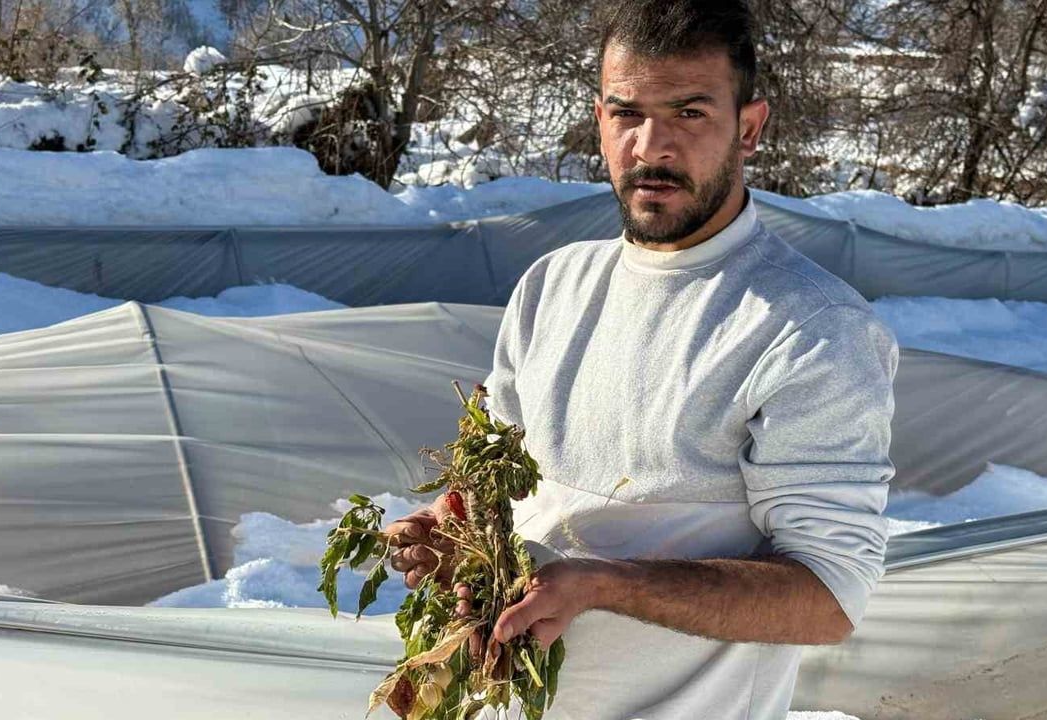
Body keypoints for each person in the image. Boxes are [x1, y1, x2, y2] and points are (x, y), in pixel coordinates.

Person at [383, 1, 898, 717]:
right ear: (600, 119)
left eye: (689, 113)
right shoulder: (553, 286)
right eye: (627, 113)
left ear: (748, 128)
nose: (651, 147)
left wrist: (604, 586)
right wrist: (453, 530)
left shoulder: (807, 327)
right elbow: (495, 492)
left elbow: (828, 598)